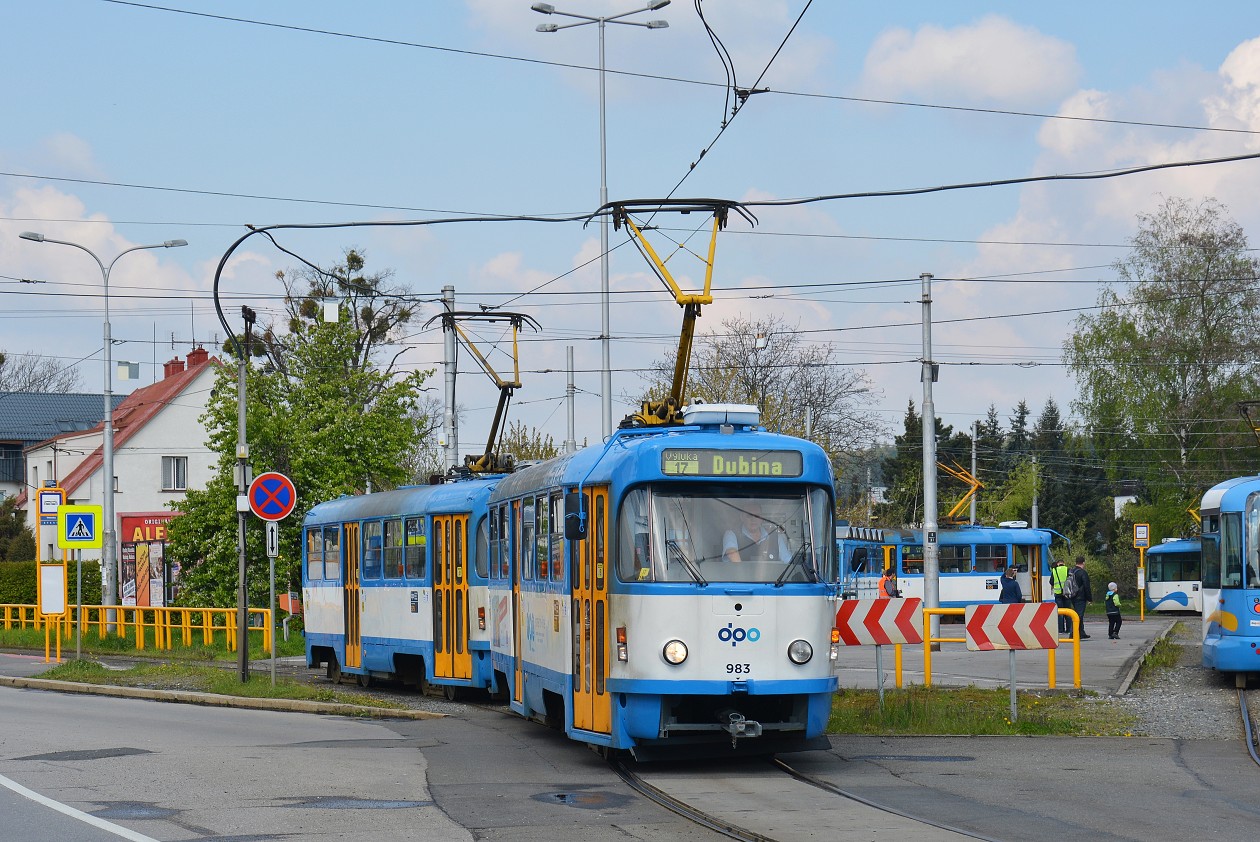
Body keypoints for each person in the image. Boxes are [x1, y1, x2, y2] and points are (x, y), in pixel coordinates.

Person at [722, 502, 790, 563]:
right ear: (742, 517)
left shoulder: (776, 537)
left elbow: (788, 561)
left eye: (757, 516)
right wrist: (743, 575)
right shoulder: (731, 534)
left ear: (762, 518)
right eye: (749, 515)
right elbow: (732, 552)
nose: (753, 519)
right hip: (740, 576)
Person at [1069, 556, 1093, 639]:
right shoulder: (1083, 573)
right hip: (1080, 597)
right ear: (1083, 563)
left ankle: (1081, 632)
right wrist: (1089, 598)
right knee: (1079, 615)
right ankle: (1073, 633)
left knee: (1077, 614)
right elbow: (1086, 586)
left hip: (1072, 596)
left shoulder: (1071, 571)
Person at [1050, 559, 1071, 635]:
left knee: (1060, 612)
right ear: (1064, 563)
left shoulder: (1054, 570)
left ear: (1058, 563)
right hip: (1067, 593)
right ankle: (1069, 629)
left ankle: (1061, 630)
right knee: (1068, 612)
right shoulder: (1068, 569)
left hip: (1058, 593)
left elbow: (1051, 582)